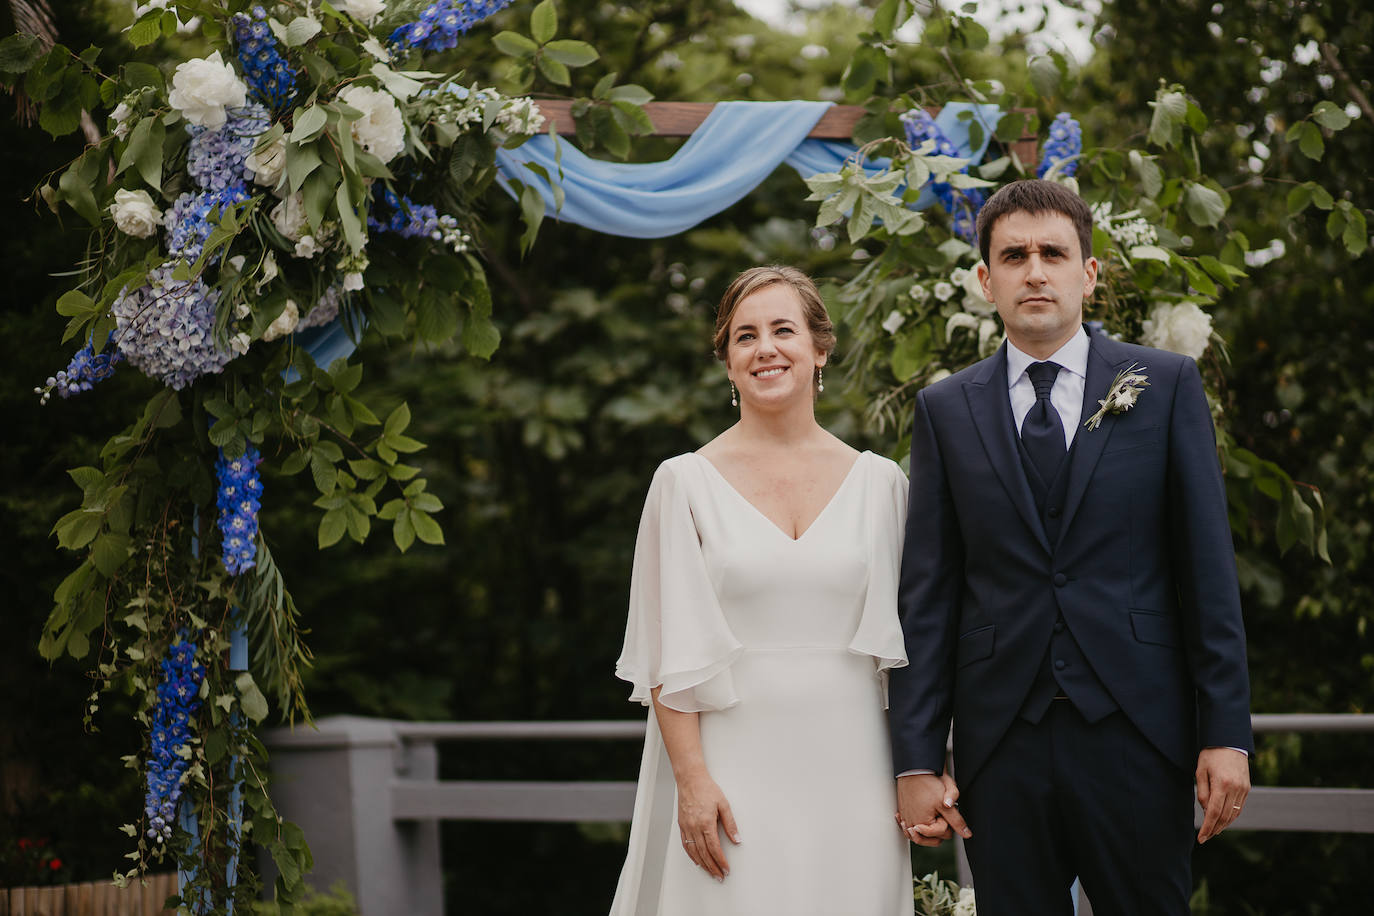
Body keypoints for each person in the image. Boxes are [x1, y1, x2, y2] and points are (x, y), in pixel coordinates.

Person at [888, 178, 1254, 915]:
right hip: (1001, 742)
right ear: (986, 280)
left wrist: (1226, 734)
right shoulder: (944, 409)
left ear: (1088, 274)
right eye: (1014, 256)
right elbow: (928, 595)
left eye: (1052, 254)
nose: (1035, 271)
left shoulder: (1165, 386)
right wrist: (917, 759)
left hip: (1138, 731)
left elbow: (1207, 572)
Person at [609, 266, 921, 916]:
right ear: (727, 361)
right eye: (745, 336)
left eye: (783, 330)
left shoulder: (882, 485)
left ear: (820, 349)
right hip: (731, 769)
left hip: (856, 768)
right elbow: (665, 655)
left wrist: (917, 771)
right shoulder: (683, 484)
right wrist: (692, 782)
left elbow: (912, 651)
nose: (765, 349)